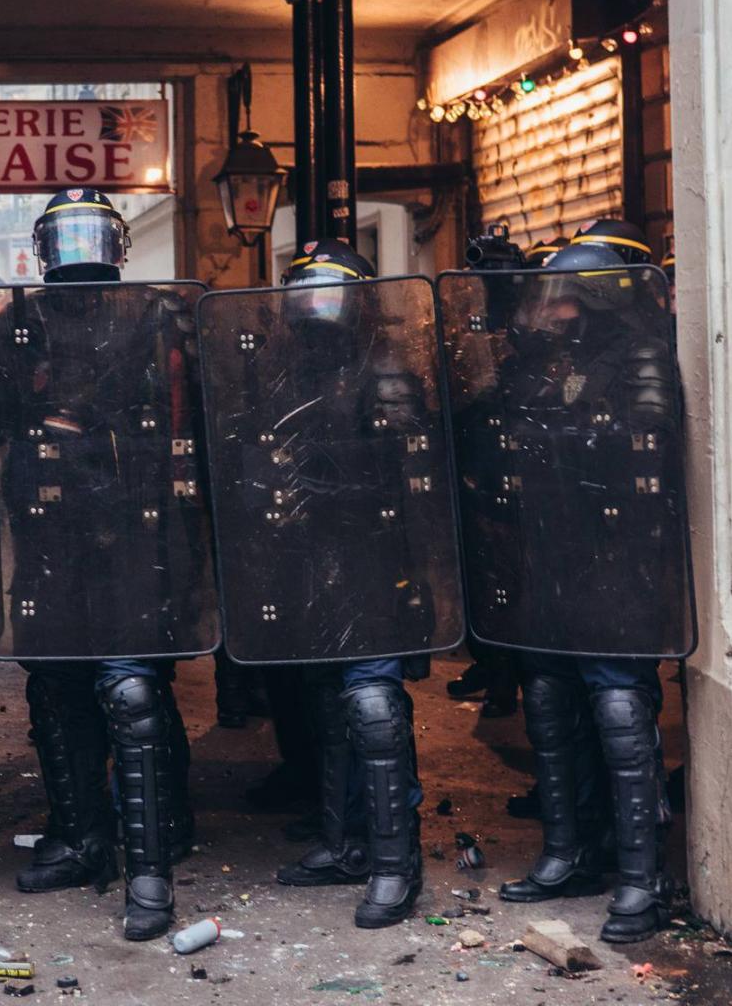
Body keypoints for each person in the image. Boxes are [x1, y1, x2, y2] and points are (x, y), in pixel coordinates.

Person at [0, 188, 204, 941]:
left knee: (133, 685)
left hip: (134, 529)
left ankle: (155, 848)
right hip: (48, 529)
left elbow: (189, 423)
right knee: (55, 685)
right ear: (44, 246)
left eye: (91, 230)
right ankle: (79, 835)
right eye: (66, 232)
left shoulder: (155, 320)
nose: (79, 246)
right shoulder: (19, 323)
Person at [201, 238, 449, 928]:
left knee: (373, 706)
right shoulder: (285, 376)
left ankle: (397, 862)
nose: (316, 311)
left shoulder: (387, 376)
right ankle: (343, 844)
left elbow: (412, 486)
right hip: (308, 564)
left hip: (372, 561)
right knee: (325, 705)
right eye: (306, 295)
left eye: (329, 294)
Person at [444, 242, 683, 943]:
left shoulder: (640, 359)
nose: (556, 312)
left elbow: (646, 444)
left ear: (604, 299)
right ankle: (567, 851)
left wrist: (564, 439)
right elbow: (490, 425)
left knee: (616, 705)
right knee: (547, 698)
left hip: (614, 559)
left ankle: (642, 877)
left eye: (568, 299)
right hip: (548, 555)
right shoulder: (551, 365)